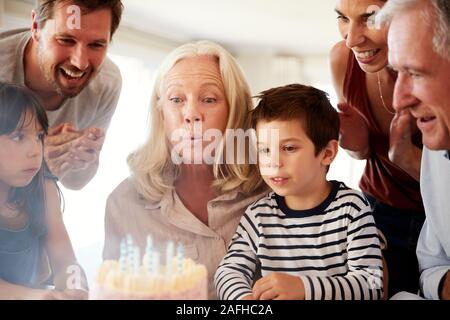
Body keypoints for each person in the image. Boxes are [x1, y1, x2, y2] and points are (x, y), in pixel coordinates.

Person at [102, 40, 267, 299]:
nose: (191, 114)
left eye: (209, 99)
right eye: (176, 99)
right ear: (161, 113)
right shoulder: (124, 204)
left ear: (234, 110)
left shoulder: (271, 190)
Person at [215, 84, 384, 300]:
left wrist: (304, 288)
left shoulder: (351, 208)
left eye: (289, 148)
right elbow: (228, 272)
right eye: (265, 150)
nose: (274, 162)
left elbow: (372, 284)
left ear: (327, 153)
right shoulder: (258, 215)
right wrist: (242, 299)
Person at [329, 0, 424, 296]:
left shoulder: (438, 67)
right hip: (376, 209)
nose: (352, 39)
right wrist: (357, 147)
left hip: (439, 217)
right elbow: (363, 154)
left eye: (370, 18)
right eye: (343, 18)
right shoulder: (342, 60)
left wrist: (410, 161)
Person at [0, 0, 124, 190]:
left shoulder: (106, 84)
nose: (80, 63)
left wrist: (83, 161)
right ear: (36, 27)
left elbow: (76, 182)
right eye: (66, 40)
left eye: (96, 45)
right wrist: (38, 162)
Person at [379, 0, 450, 300]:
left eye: (415, 73)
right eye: (397, 73)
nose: (398, 101)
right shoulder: (437, 153)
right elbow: (431, 265)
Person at [0, 83, 87, 299]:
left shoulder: (43, 187)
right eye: (19, 137)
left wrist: (76, 286)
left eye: (39, 136)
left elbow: (66, 258)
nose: (35, 151)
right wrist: (36, 297)